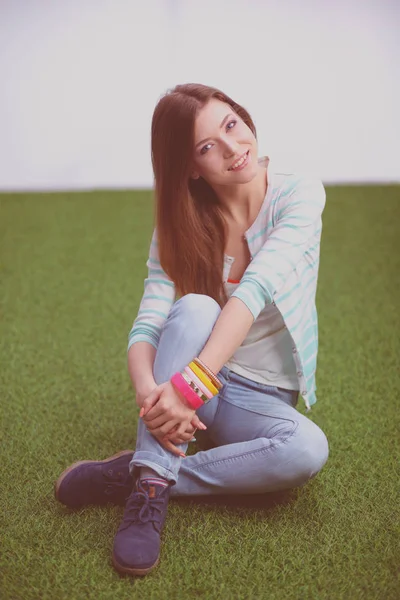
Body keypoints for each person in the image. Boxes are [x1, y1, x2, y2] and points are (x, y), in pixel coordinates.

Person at [54, 83, 329, 577]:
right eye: (206, 147)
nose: (231, 148)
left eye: (230, 125)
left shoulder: (299, 194)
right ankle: (152, 490)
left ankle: (143, 472)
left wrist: (187, 388)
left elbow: (255, 289)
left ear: (244, 118)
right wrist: (152, 396)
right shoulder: (180, 223)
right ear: (189, 166)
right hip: (200, 390)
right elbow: (149, 324)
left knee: (307, 450)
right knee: (196, 307)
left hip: (260, 398)